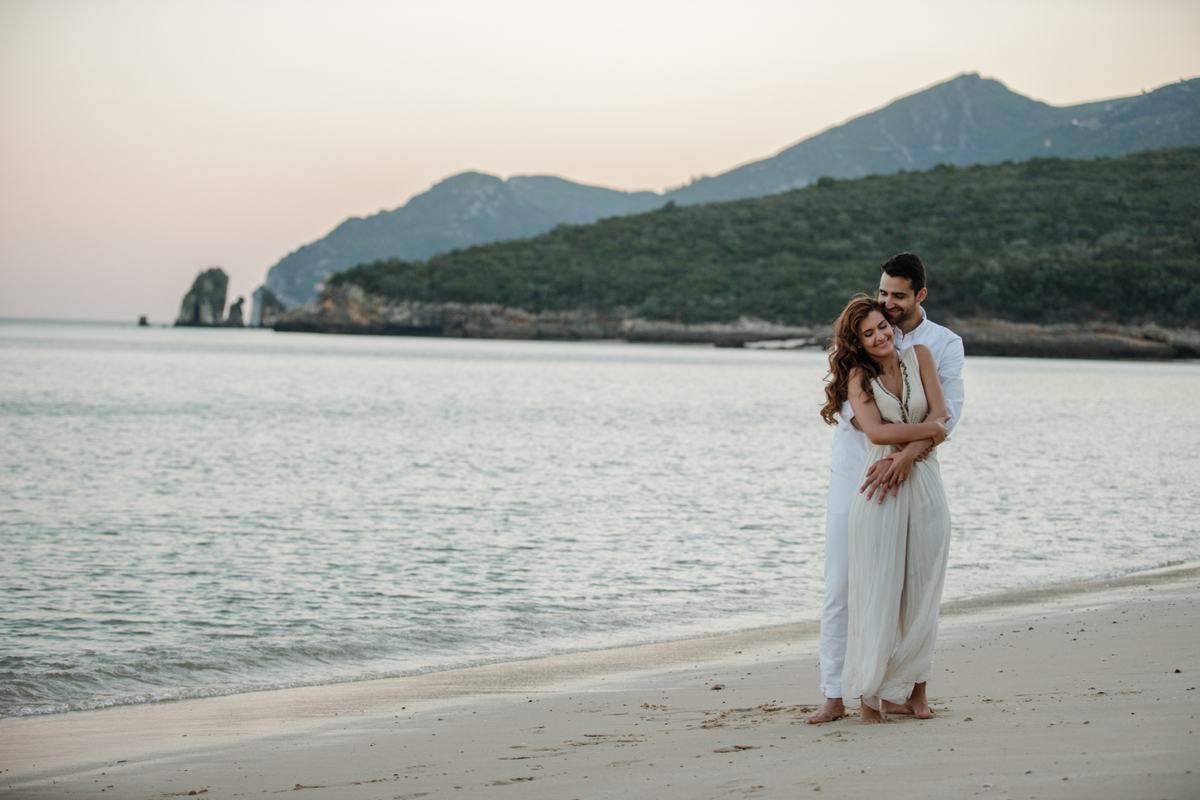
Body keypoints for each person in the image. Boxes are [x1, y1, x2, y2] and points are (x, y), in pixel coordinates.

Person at [807, 253, 964, 724]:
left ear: (920, 295)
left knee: (909, 587)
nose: (887, 305)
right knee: (842, 587)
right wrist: (905, 447)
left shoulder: (940, 345)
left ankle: (897, 688)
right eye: (882, 294)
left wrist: (907, 457)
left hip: (912, 474)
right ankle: (836, 692)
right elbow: (871, 425)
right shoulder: (860, 345)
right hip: (853, 477)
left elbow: (946, 417)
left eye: (897, 296)